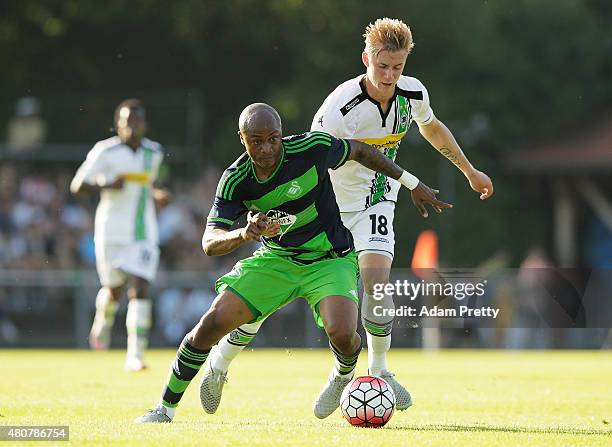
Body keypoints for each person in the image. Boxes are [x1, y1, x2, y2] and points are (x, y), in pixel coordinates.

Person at [205, 18, 494, 412]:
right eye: (383, 67)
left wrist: (469, 170)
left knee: (377, 280)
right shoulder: (340, 107)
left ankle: (377, 372)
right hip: (326, 211)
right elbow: (304, 161)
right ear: (366, 59)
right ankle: (220, 363)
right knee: (267, 296)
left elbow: (433, 129)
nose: (391, 75)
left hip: (377, 201)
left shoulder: (413, 93)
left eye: (398, 67)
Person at [135, 103, 450, 422]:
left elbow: (359, 150)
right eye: (256, 140)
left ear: (281, 135)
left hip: (330, 259)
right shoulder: (235, 179)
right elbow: (209, 242)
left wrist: (411, 182)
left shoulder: (311, 148)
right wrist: (243, 233)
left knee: (343, 334)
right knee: (211, 324)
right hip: (278, 259)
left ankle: (341, 377)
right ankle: (164, 409)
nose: (267, 148)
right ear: (241, 138)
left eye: (273, 138)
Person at [70, 99, 170, 371]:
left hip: (143, 232)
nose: (133, 126)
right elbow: (77, 185)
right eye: (127, 121)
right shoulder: (105, 152)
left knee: (140, 285)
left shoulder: (154, 152)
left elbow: (153, 183)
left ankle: (135, 354)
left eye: (137, 121)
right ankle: (103, 320)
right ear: (118, 125)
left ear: (144, 124)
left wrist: (160, 194)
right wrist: (106, 183)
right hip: (110, 231)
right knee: (114, 290)